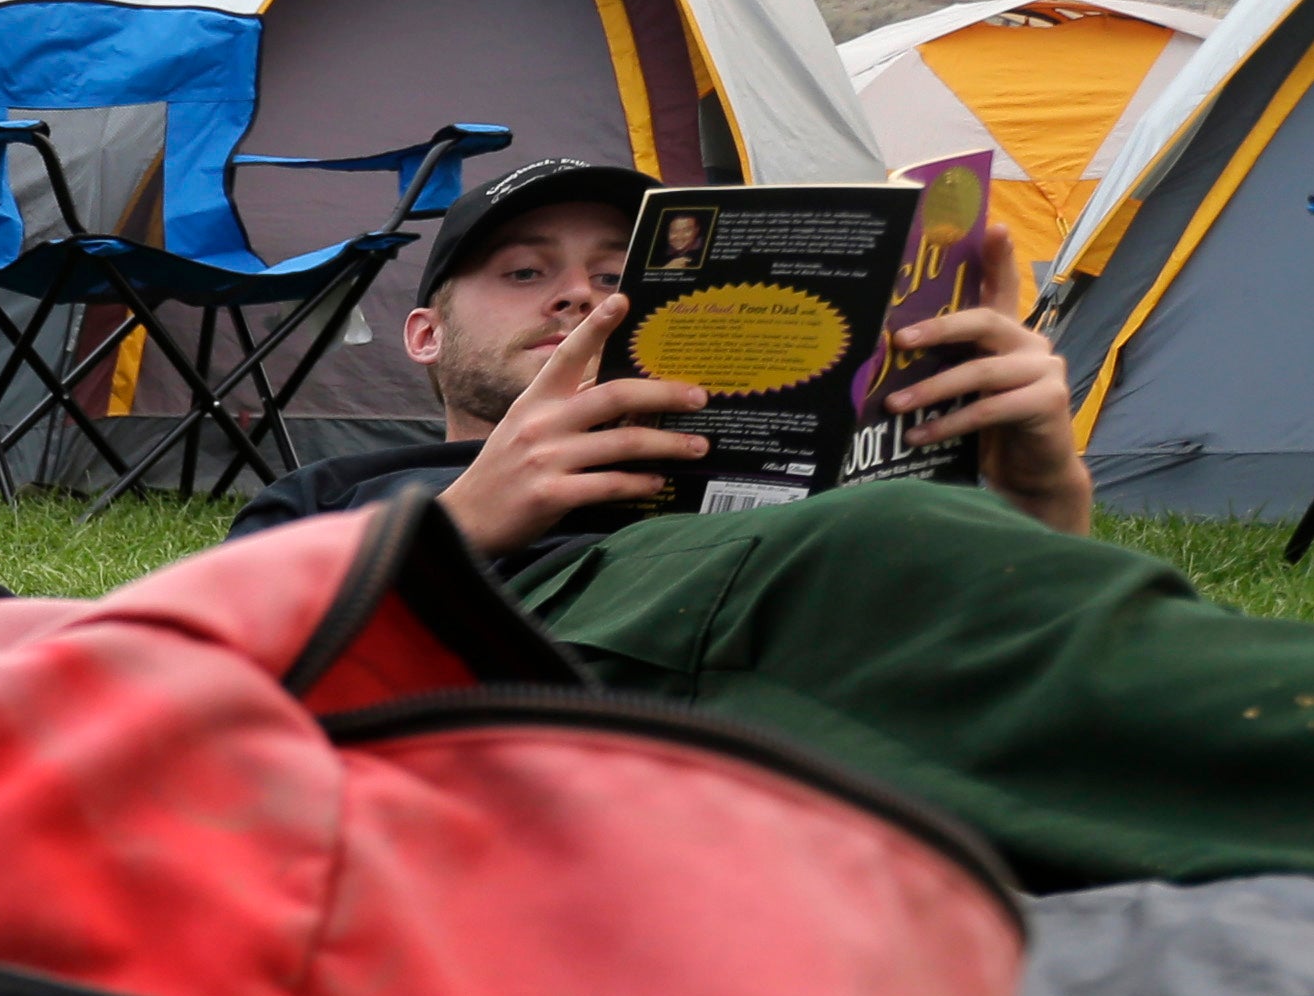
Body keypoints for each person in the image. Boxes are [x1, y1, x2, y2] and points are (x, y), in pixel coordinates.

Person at [232, 155, 1314, 890]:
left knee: (954, 587)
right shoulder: (346, 493)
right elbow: (223, 694)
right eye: (525, 273)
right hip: (594, 641)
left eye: (620, 276)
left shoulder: (812, 486)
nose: (580, 298)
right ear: (422, 334)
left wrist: (1039, 496)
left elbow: (1013, 631)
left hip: (830, 642)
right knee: (882, 548)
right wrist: (462, 522)